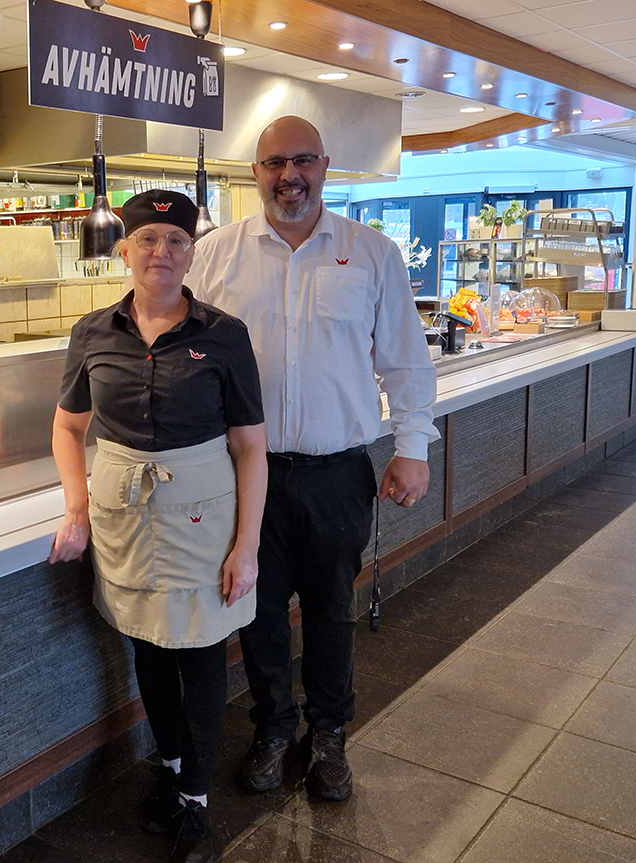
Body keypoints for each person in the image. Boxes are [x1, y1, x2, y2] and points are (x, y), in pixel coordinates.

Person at [185, 116, 439, 802]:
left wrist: (412, 448)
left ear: (324, 166)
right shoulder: (215, 255)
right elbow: (190, 361)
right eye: (274, 163)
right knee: (258, 611)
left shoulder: (371, 252)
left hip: (337, 473)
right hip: (248, 476)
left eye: (302, 161)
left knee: (331, 612)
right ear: (255, 171)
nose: (288, 175)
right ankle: (273, 729)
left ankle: (329, 734)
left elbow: (405, 360)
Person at [49, 189, 267, 863]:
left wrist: (247, 546)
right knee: (146, 643)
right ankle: (171, 769)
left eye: (176, 241)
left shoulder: (224, 334)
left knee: (198, 649)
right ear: (125, 250)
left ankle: (196, 795)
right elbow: (68, 428)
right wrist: (76, 507)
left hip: (202, 513)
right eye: (147, 239)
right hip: (123, 514)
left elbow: (250, 447)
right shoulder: (92, 333)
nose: (161, 252)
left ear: (191, 254)